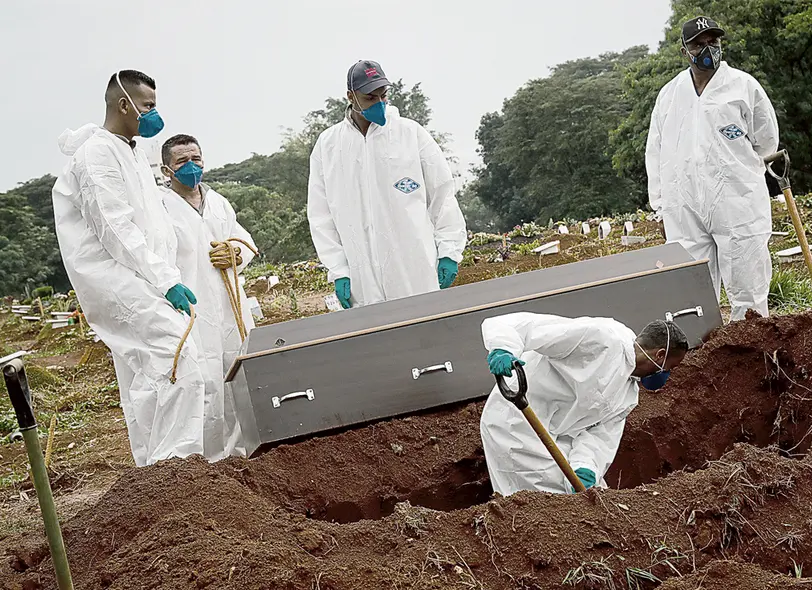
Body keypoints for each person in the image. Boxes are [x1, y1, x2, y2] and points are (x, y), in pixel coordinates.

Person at [51, 70, 215, 467]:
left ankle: (151, 472)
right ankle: (176, 468)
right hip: (120, 280)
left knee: (145, 381)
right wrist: (166, 280)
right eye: (148, 107)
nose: (154, 116)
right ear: (123, 104)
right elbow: (116, 229)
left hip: (142, 279)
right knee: (181, 360)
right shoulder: (97, 155)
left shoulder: (131, 151)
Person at [645, 16, 780, 321]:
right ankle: (702, 357)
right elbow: (655, 151)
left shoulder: (744, 87)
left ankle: (751, 350)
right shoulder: (669, 95)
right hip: (685, 205)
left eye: (713, 42)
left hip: (737, 200)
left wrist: (737, 172)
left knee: (747, 281)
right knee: (691, 287)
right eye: (698, 44)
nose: (707, 49)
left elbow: (767, 142)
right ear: (684, 51)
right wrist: (662, 204)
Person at [307, 60, 467, 309]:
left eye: (384, 96)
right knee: (378, 342)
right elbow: (320, 215)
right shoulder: (328, 146)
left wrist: (449, 252)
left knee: (426, 332)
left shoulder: (410, 134)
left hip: (415, 270)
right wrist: (338, 270)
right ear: (351, 96)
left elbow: (443, 195)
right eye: (370, 97)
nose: (379, 104)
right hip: (362, 278)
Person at [479, 313, 689, 495]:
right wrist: (503, 348)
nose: (666, 375)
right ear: (660, 355)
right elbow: (526, 326)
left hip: (558, 435)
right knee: (545, 500)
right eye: (670, 367)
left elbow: (599, 436)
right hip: (516, 423)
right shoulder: (603, 338)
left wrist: (585, 467)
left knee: (594, 495)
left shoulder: (628, 394)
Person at [160, 133, 257, 458]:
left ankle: (244, 455)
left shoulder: (219, 203)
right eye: (182, 162)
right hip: (192, 312)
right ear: (166, 170)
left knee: (237, 377)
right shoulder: (161, 210)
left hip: (231, 309)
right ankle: (210, 463)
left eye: (196, 159)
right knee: (204, 386)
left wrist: (234, 254)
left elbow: (245, 244)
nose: (191, 167)